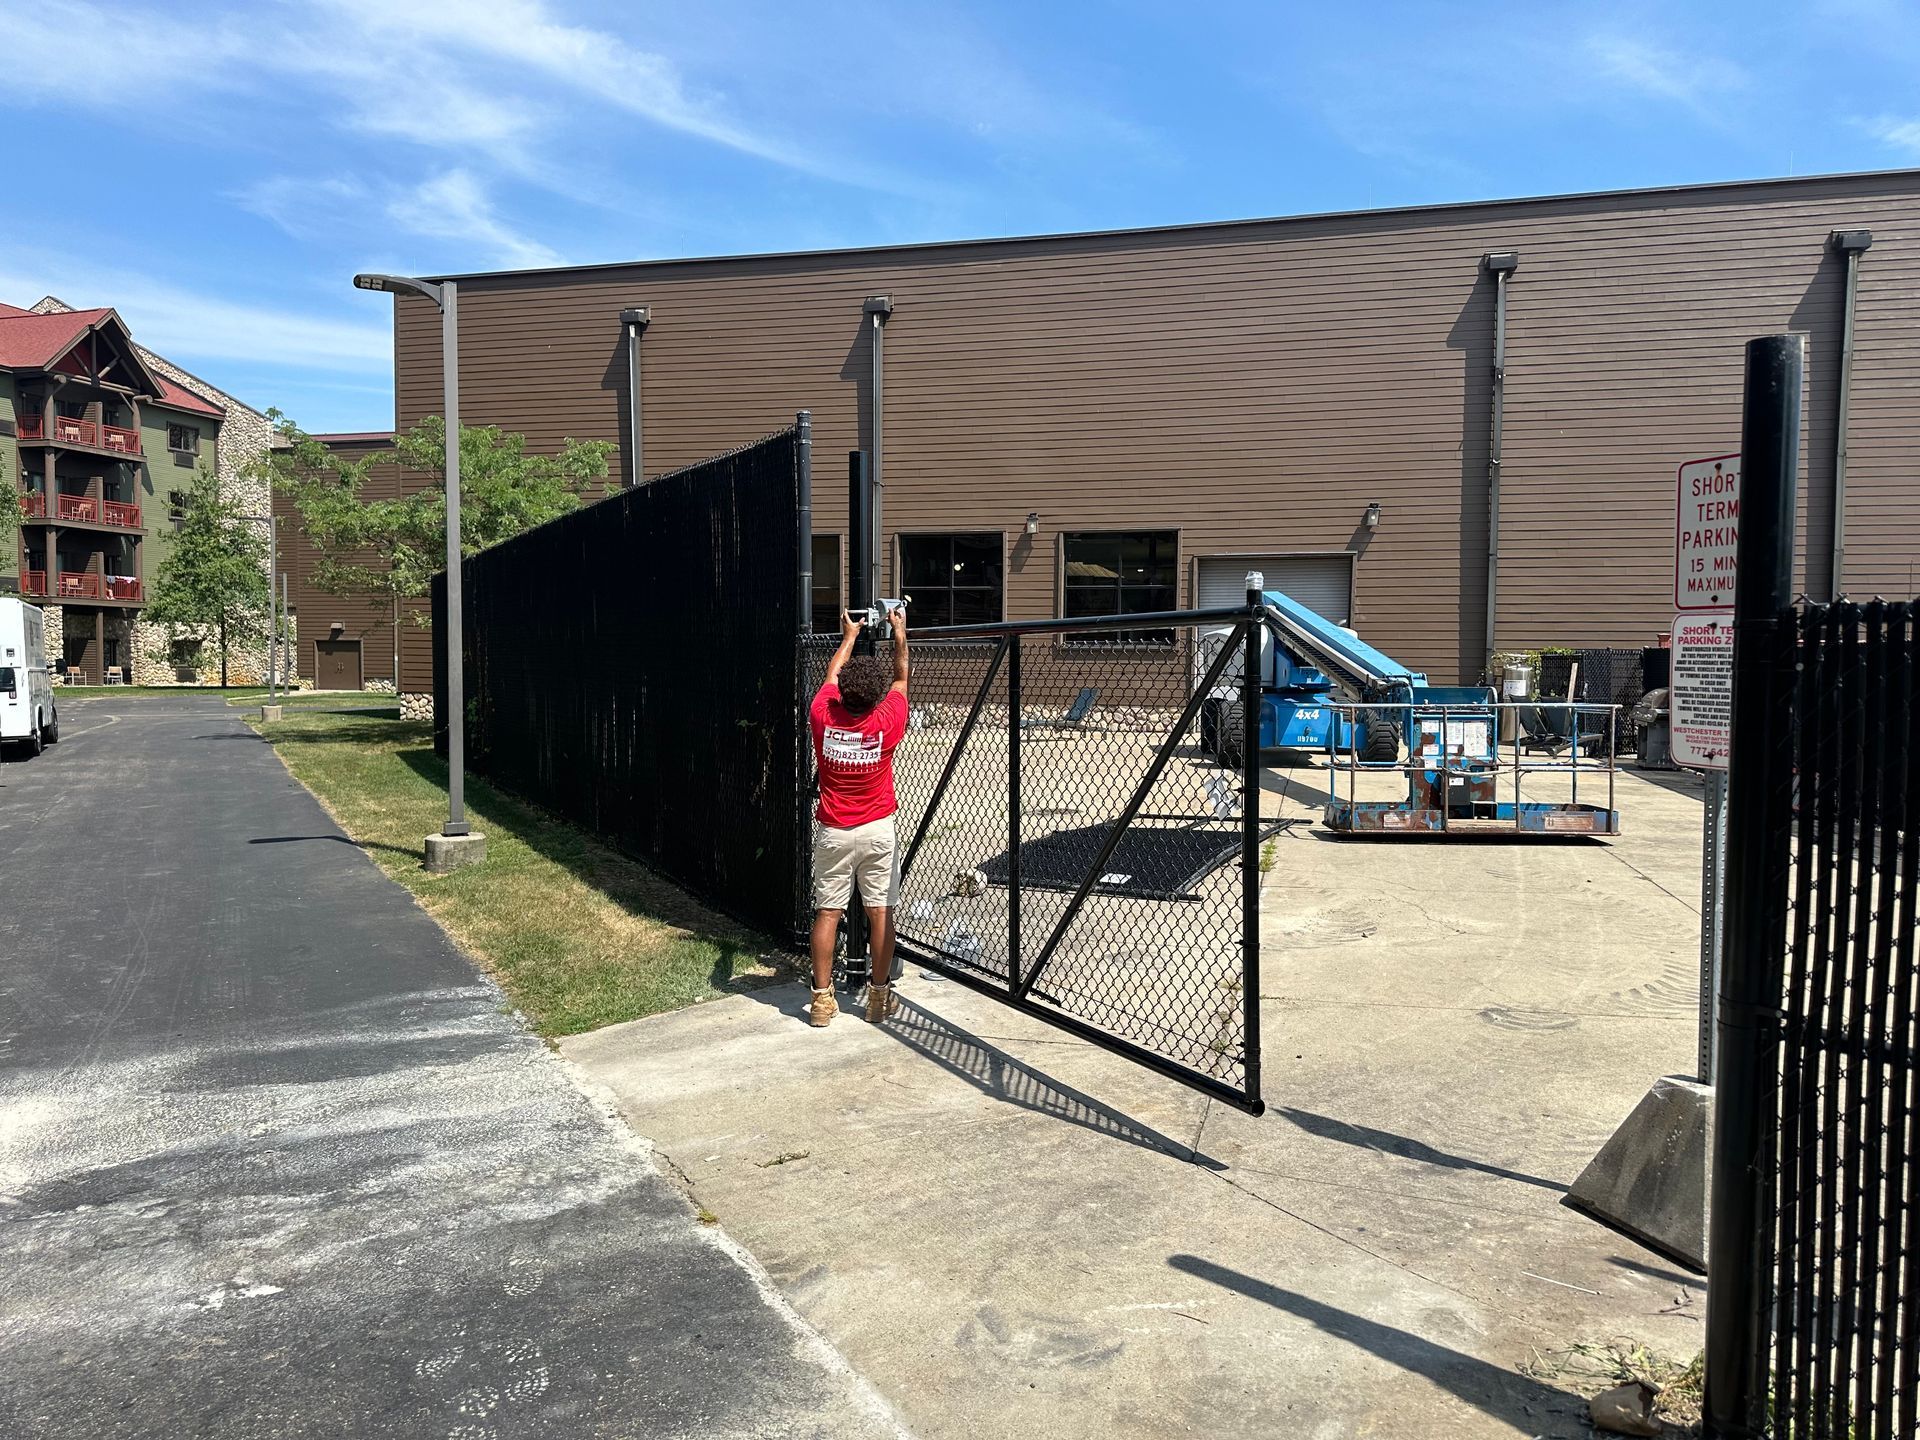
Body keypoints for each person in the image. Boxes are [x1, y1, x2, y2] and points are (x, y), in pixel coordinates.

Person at [807, 603, 909, 1027]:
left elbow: (831, 676)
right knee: (880, 911)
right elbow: (902, 678)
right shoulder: (887, 720)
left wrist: (849, 636)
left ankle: (820, 1001)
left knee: (828, 913)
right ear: (874, 697)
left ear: (845, 692)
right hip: (877, 829)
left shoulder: (822, 714)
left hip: (833, 829)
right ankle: (878, 997)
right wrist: (899, 634)